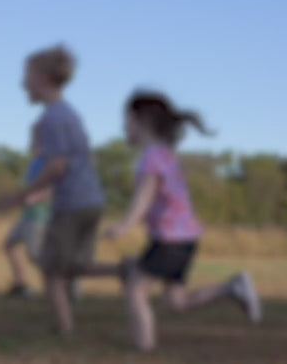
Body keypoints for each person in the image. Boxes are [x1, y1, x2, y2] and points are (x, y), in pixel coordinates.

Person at [105, 90, 262, 351]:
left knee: (135, 288)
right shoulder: (165, 153)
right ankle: (233, 288)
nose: (123, 128)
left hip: (170, 240)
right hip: (185, 239)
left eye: (126, 121)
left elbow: (144, 197)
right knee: (177, 302)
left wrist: (125, 225)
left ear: (141, 121)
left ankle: (144, 347)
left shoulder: (152, 157)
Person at [0, 45, 105, 335]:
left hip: (72, 205)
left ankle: (64, 329)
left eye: (27, 77)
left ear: (43, 78)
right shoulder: (70, 114)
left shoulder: (52, 119)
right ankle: (126, 272)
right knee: (73, 266)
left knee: (52, 271)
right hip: (92, 200)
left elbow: (57, 167)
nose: (23, 85)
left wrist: (17, 197)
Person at [4, 124, 50, 298]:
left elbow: (52, 187)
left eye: (34, 140)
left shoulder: (47, 162)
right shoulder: (34, 163)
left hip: (40, 215)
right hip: (27, 215)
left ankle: (58, 287)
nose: (30, 143)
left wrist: (34, 198)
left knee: (36, 256)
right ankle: (21, 285)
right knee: (10, 244)